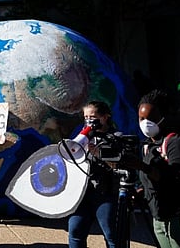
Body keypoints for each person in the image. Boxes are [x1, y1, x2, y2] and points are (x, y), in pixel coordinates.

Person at [125, 90, 180, 248]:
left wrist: (143, 167)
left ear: (163, 116)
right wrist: (141, 193)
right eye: (142, 118)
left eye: (151, 118)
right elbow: (152, 182)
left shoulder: (175, 142)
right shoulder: (147, 146)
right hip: (158, 219)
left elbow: (176, 179)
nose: (146, 123)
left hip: (179, 217)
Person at [67, 100, 118, 248]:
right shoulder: (84, 136)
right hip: (83, 193)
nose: (89, 121)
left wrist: (98, 153)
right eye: (86, 117)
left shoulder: (115, 137)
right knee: (75, 231)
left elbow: (119, 166)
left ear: (105, 117)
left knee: (111, 235)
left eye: (93, 117)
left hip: (106, 193)